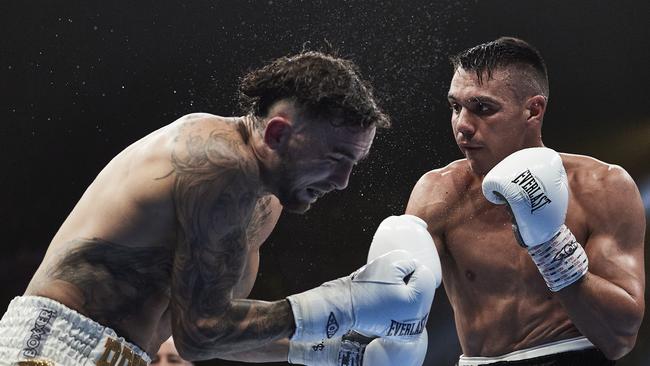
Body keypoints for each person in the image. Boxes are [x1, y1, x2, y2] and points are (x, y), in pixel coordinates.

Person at [0, 51, 439, 365]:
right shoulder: (212, 163)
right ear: (279, 134)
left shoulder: (264, 203)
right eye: (335, 159)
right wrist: (344, 302)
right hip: (52, 347)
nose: (342, 182)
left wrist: (336, 350)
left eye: (353, 165)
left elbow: (212, 334)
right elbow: (201, 332)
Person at [406, 37, 645, 365]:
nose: (462, 125)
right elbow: (398, 295)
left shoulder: (602, 186)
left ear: (533, 110)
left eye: (483, 108)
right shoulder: (439, 192)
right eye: (455, 106)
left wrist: (550, 246)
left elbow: (620, 338)